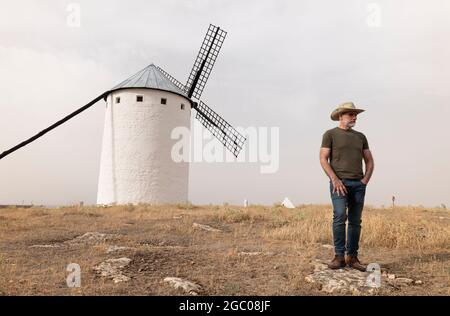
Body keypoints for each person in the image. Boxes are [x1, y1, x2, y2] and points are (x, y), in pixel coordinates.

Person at [319, 102, 374, 271]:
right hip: (339, 183)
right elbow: (323, 159)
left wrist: (364, 181)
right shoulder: (330, 134)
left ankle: (352, 257)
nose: (354, 117)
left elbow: (370, 161)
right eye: (351, 114)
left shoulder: (361, 136)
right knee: (340, 215)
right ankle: (339, 257)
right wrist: (334, 179)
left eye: (355, 115)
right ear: (341, 116)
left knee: (355, 221)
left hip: (358, 184)